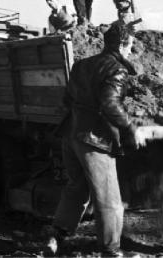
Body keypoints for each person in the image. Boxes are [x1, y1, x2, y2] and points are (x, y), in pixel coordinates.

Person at [51, 22, 145, 257]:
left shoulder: (81, 65)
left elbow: (67, 100)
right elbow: (110, 104)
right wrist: (131, 127)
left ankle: (55, 238)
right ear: (122, 44)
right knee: (109, 199)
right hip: (94, 140)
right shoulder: (116, 69)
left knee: (77, 188)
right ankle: (111, 251)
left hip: (70, 133)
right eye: (130, 46)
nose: (130, 51)